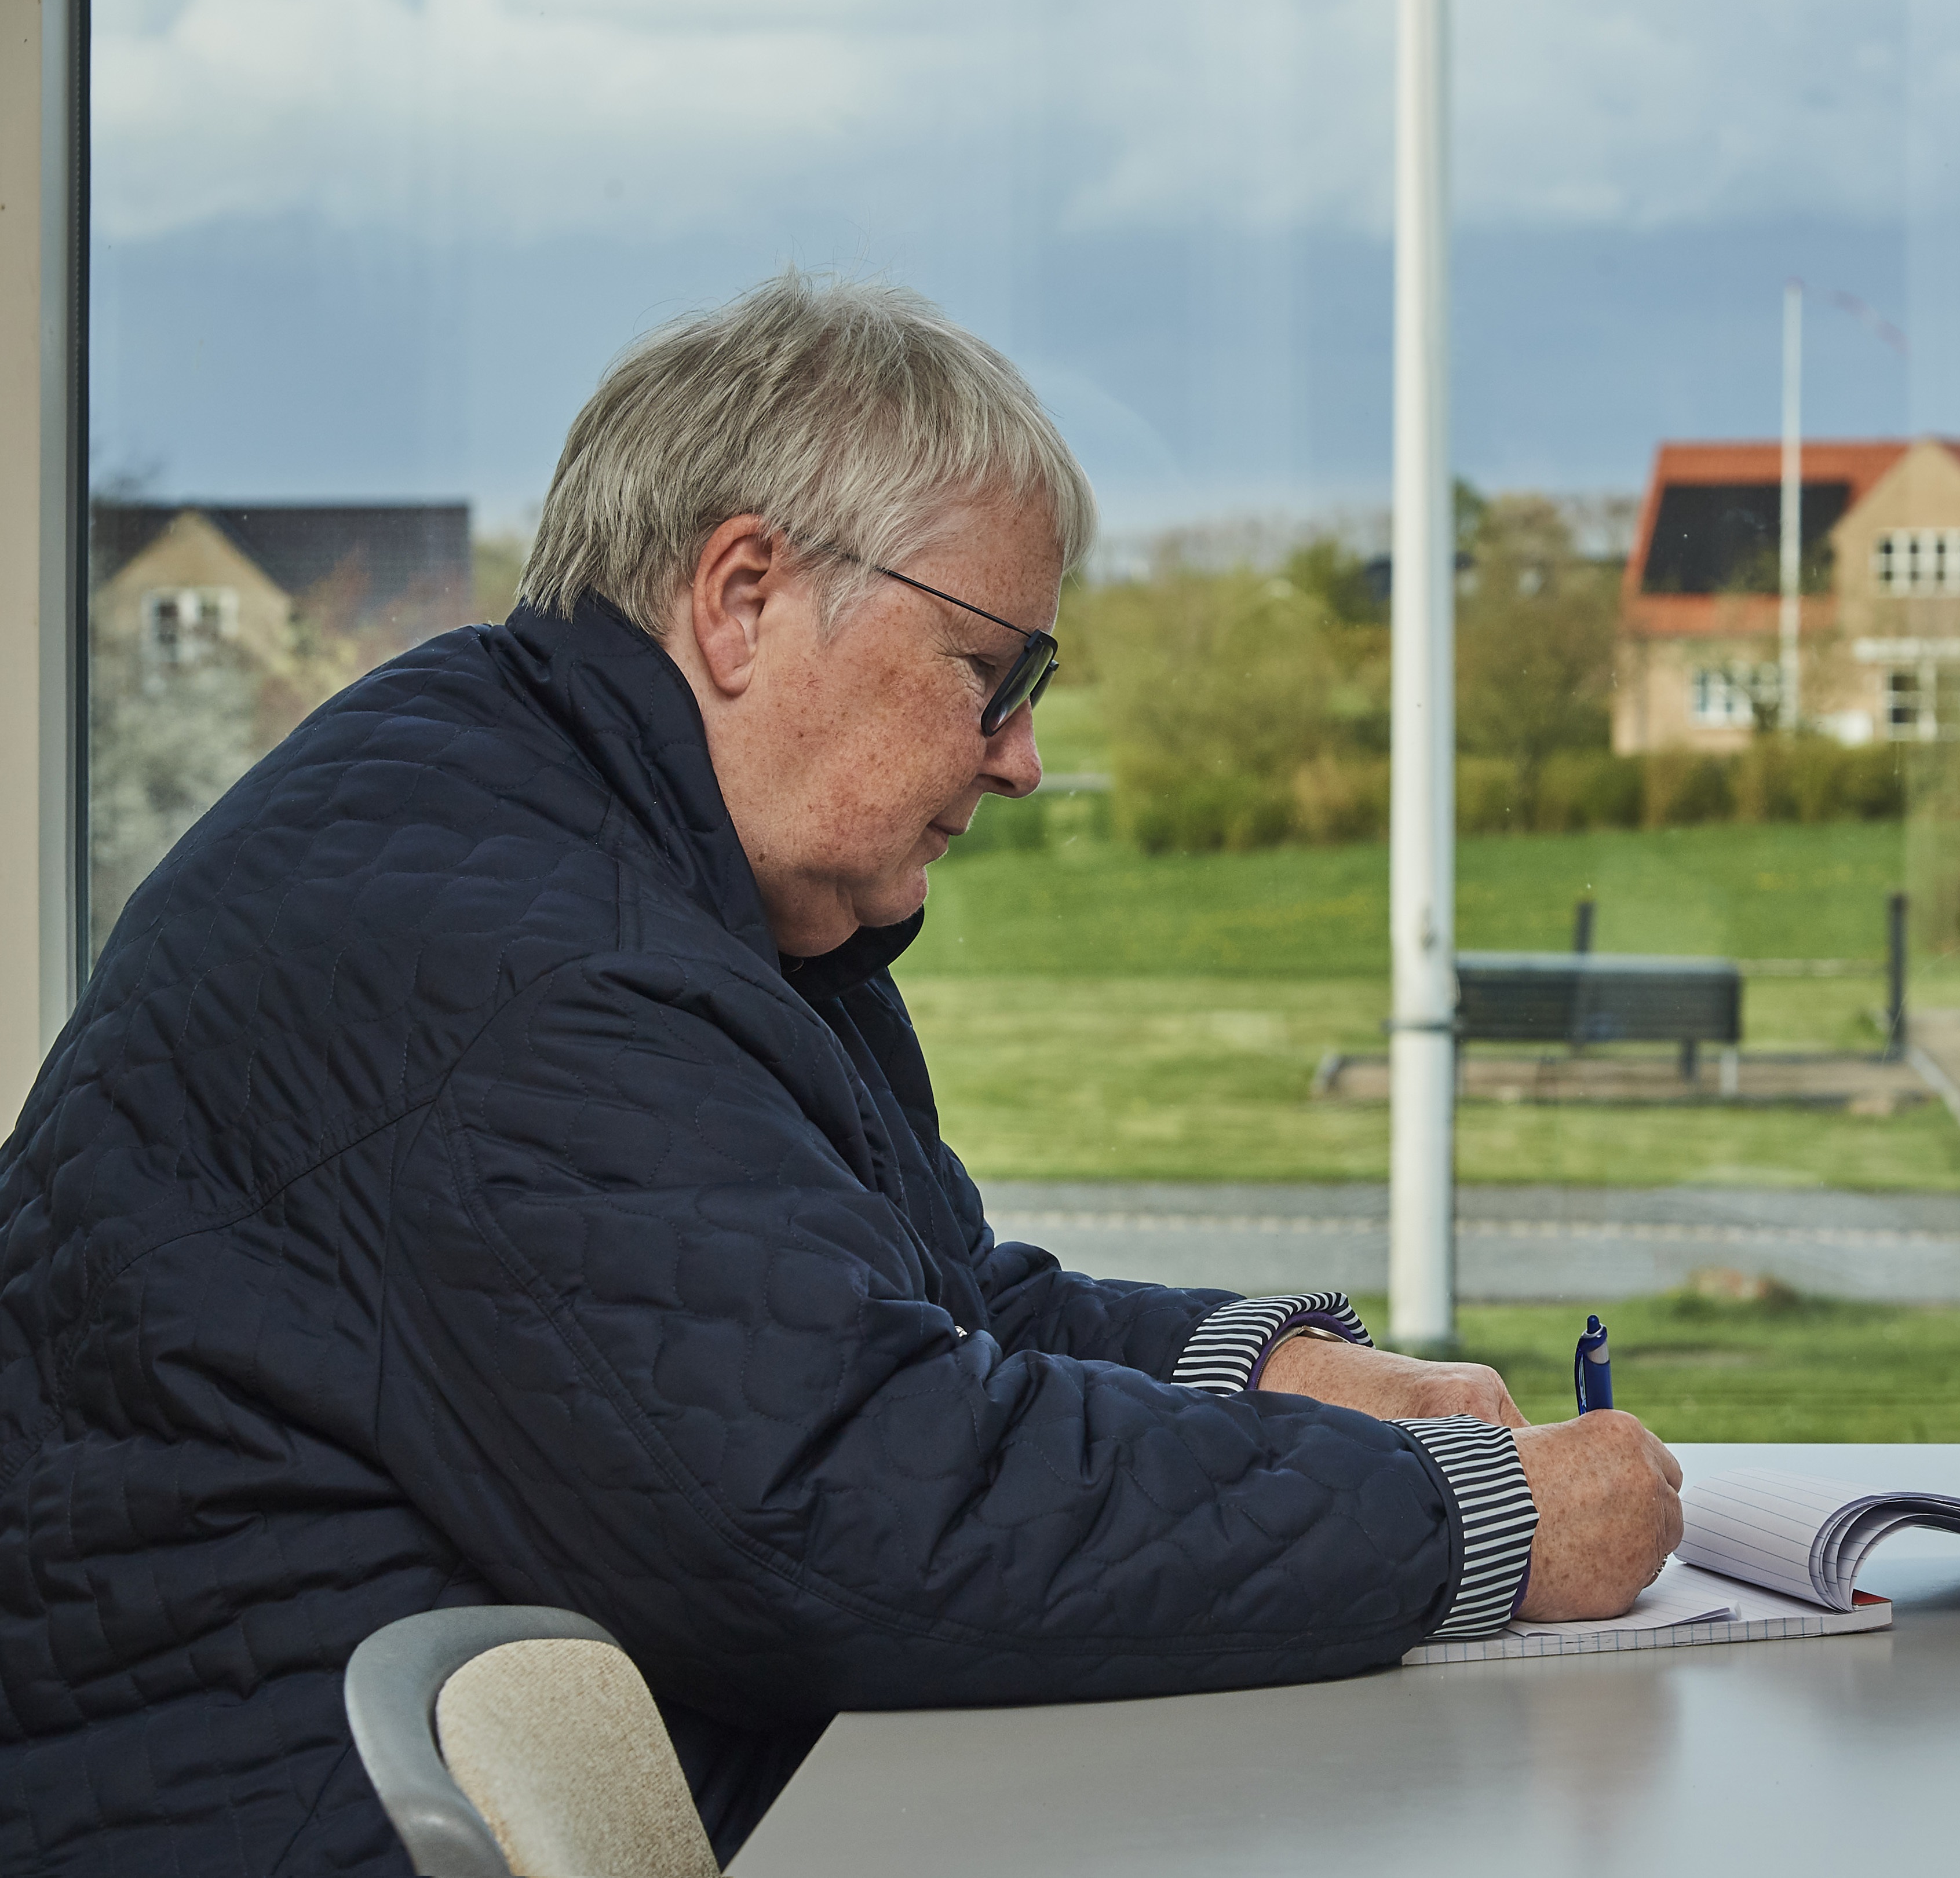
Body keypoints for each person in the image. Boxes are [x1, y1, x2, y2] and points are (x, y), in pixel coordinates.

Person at [0, 275, 1685, 1876]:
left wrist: (1269, 1368)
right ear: (746, 599)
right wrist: (1471, 1523)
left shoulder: (614, 854)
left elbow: (896, 1321)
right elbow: (851, 1507)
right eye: (990, 670)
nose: (1020, 756)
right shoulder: (535, 965)